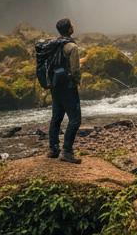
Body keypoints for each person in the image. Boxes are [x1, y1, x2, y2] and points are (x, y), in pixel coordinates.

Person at [47, 17, 82, 163]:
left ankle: (53, 149)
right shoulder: (72, 47)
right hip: (68, 88)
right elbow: (74, 70)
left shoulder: (53, 45)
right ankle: (66, 151)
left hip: (55, 87)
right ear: (69, 29)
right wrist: (76, 82)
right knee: (75, 120)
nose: (73, 26)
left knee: (56, 118)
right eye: (71, 25)